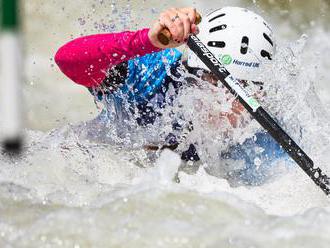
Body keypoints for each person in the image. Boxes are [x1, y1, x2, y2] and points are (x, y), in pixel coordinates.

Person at [55, 6, 288, 186]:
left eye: (243, 89)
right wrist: (146, 41)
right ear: (191, 74)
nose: (225, 104)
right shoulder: (157, 76)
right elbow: (68, 60)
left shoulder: (264, 136)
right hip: (78, 167)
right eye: (214, 82)